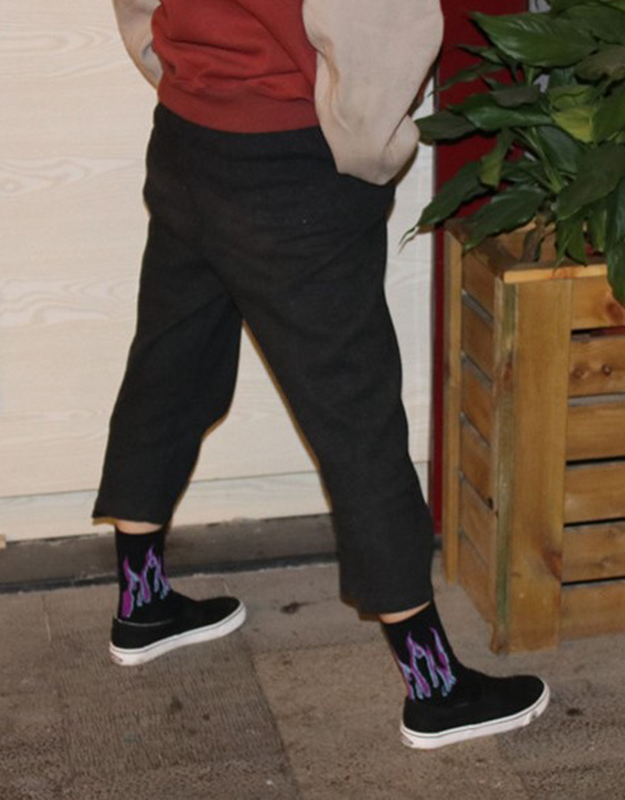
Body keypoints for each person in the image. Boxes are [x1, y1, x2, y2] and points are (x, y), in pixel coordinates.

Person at [93, 0, 549, 750]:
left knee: (169, 365)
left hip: (186, 139)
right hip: (290, 160)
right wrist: (362, 151)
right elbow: (380, 27)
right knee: (354, 413)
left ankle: (141, 602)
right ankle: (434, 686)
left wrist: (186, 75)